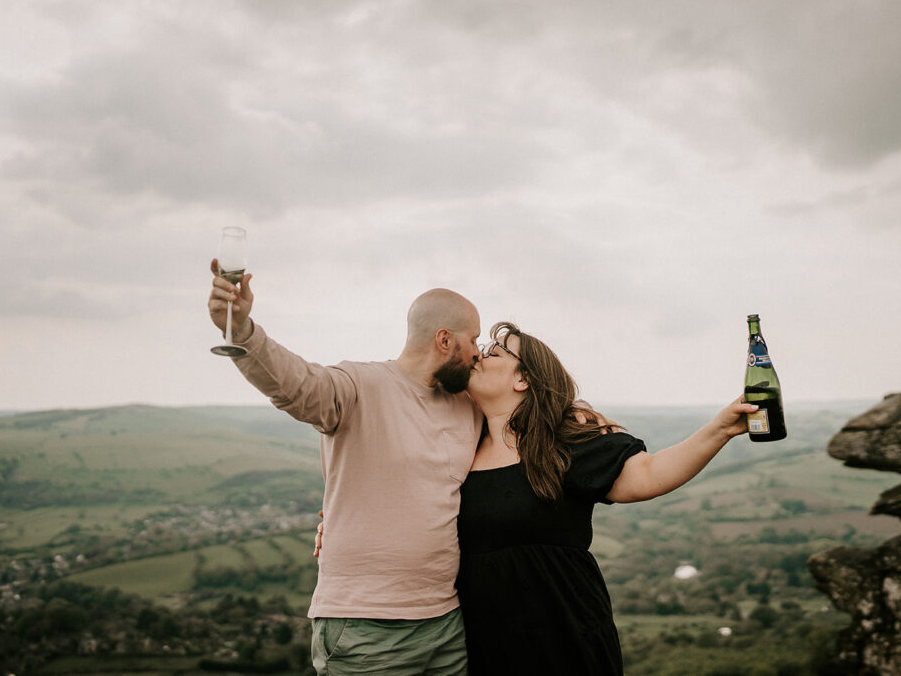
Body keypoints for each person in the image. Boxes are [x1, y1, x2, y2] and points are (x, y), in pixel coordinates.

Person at [207, 260, 484, 675]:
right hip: (365, 629)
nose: (478, 353)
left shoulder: (468, 406)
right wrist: (243, 331)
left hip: (448, 625)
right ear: (445, 340)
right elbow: (295, 386)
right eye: (473, 340)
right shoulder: (358, 386)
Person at [455, 321, 757, 676]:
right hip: (484, 647)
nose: (480, 354)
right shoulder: (458, 447)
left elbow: (649, 474)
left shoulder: (562, 446)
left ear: (522, 379)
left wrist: (720, 429)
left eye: (495, 350)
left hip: (564, 640)